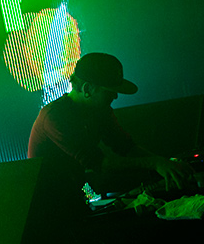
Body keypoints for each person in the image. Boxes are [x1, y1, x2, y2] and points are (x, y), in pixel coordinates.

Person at [28, 52, 193, 195]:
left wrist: (165, 163)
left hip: (70, 193)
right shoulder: (55, 117)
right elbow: (100, 164)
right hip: (44, 200)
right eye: (110, 91)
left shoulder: (101, 110)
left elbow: (125, 146)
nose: (115, 96)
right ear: (87, 89)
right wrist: (155, 163)